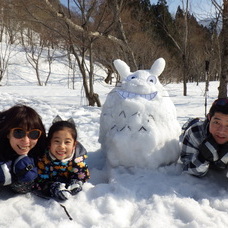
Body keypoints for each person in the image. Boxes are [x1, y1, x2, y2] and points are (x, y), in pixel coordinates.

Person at [36, 116, 90, 200]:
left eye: (67, 142)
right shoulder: (43, 160)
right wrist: (51, 187)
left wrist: (76, 182)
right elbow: (39, 181)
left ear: (74, 145)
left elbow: (82, 176)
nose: (61, 146)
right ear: (49, 143)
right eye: (57, 141)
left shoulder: (77, 161)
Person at [0, 104, 46, 193]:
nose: (26, 140)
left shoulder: (43, 148)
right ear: (7, 133)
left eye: (33, 134)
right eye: (18, 132)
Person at [180, 98, 228, 177]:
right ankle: (192, 121)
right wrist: (202, 157)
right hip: (199, 129)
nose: (221, 131)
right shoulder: (195, 133)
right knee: (191, 125)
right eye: (216, 122)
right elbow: (187, 167)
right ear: (209, 118)